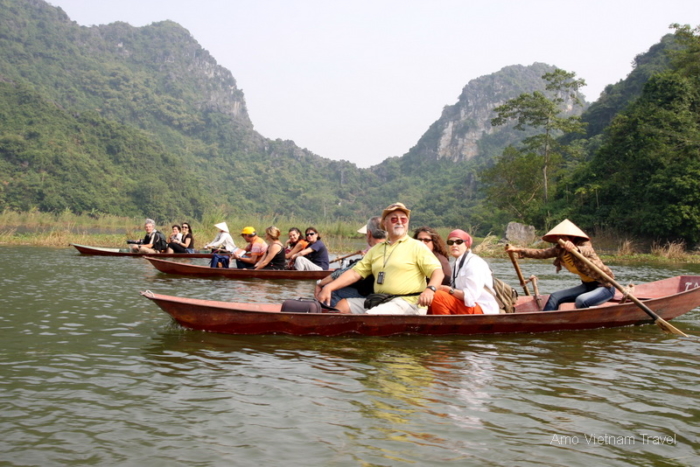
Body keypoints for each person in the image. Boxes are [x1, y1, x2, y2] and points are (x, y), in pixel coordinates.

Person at [317, 202, 444, 315]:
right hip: (380, 300)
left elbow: (437, 272)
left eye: (403, 219)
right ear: (385, 223)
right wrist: (329, 287)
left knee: (369, 317)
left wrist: (430, 289)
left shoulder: (417, 246)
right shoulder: (376, 250)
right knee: (343, 306)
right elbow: (355, 273)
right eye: (394, 219)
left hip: (408, 302)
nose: (399, 222)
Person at [505, 219, 616, 311]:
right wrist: (518, 250)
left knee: (582, 301)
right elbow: (541, 253)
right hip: (587, 286)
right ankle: (545, 321)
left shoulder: (583, 244)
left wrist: (575, 249)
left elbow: (587, 250)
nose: (560, 239)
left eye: (563, 236)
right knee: (554, 297)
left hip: (604, 286)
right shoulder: (560, 249)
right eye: (559, 236)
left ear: (571, 236)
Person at [314, 216, 386, 309]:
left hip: (372, 294)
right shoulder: (388, 247)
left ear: (369, 234)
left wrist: (320, 284)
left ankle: (332, 314)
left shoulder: (375, 250)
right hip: (376, 290)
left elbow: (347, 272)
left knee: (329, 290)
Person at [430, 229, 500, 315]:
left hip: (482, 308)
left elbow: (470, 298)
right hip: (465, 305)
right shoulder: (455, 264)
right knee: (429, 295)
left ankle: (445, 326)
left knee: (438, 296)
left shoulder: (474, 263)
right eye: (450, 242)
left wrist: (448, 290)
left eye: (458, 242)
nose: (454, 245)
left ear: (467, 244)